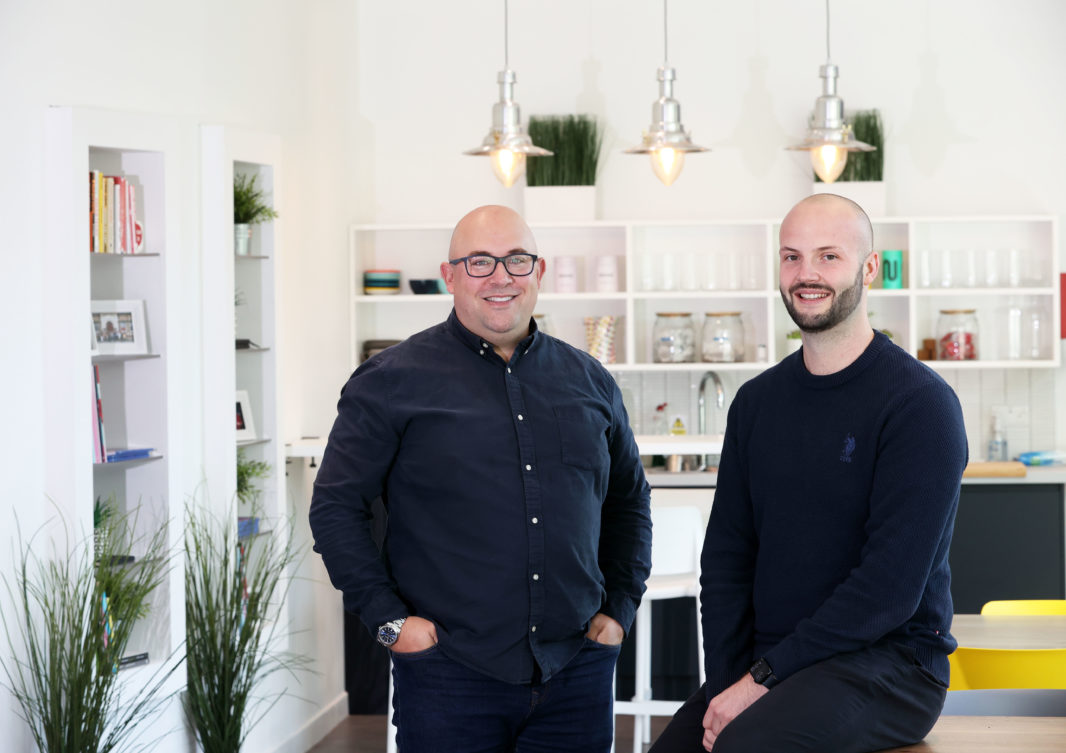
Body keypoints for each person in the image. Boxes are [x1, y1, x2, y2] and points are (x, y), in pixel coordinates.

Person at [309, 204, 652, 752]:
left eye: (516, 260)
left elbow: (629, 501)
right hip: (448, 675)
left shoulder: (591, 380)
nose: (500, 277)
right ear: (449, 276)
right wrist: (390, 623)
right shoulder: (389, 381)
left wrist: (619, 610)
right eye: (479, 262)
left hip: (576, 672)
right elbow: (334, 509)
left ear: (539, 272)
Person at [650, 194, 967, 753]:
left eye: (828, 256)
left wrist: (762, 679)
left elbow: (887, 592)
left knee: (744, 745)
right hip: (770, 664)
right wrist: (726, 683)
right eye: (791, 257)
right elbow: (726, 560)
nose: (806, 274)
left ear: (869, 268)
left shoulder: (921, 405)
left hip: (890, 664)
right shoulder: (756, 403)